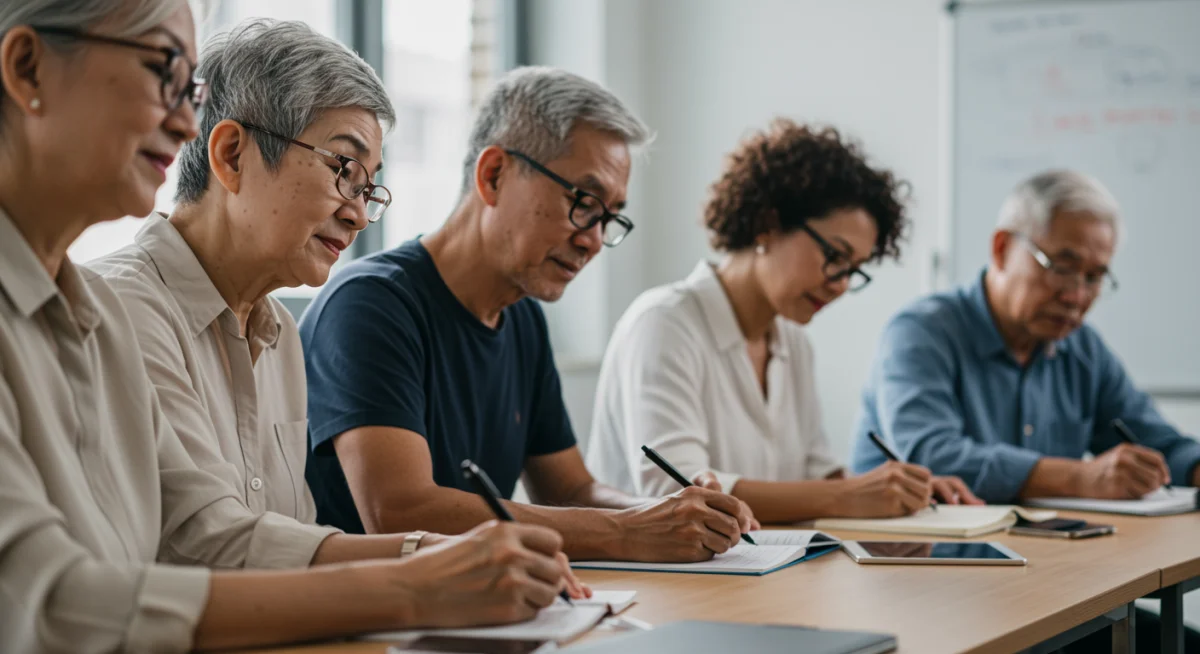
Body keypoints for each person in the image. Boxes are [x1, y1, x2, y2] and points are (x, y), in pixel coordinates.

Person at [0, 2, 569, 651]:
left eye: (368, 186)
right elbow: (70, 596)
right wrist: (415, 580)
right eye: (342, 171)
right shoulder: (121, 309)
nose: (184, 118)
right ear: (233, 154)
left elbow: (226, 534)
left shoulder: (97, 313)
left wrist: (436, 558)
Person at [301, 65, 757, 563]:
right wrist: (627, 530)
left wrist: (669, 511)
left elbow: (572, 491)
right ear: (493, 174)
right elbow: (400, 510)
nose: (593, 241)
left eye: (609, 218)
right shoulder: (370, 303)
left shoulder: (522, 317)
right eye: (584, 203)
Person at [849, 169, 1199, 653]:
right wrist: (1082, 477)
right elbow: (930, 454)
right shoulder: (922, 332)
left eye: (1095, 277)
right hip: (925, 593)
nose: (1077, 295)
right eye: (1062, 266)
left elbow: (1152, 436)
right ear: (1000, 249)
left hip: (1043, 589)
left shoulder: (1079, 348)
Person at [586, 120, 980, 524]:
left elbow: (817, 476)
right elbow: (677, 490)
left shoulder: (792, 341)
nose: (841, 284)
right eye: (835, 257)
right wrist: (848, 494)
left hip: (763, 572)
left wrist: (902, 492)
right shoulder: (664, 324)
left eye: (854, 270)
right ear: (767, 225)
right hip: (664, 581)